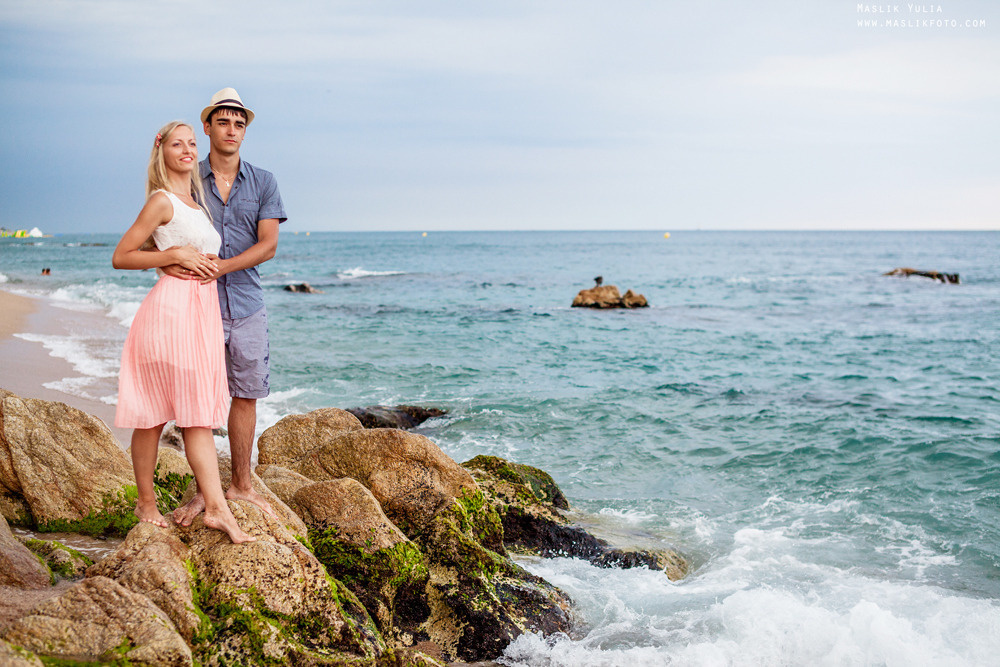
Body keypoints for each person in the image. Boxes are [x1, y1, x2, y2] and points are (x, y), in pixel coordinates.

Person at [112, 121, 254, 544]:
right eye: (178, 143)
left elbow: (191, 252)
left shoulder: (196, 201)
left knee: (194, 416)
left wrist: (184, 259)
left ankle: (213, 508)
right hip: (170, 313)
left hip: (200, 313)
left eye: (192, 143)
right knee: (156, 416)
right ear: (163, 151)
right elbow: (122, 255)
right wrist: (170, 255)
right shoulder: (160, 200)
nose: (188, 149)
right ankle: (154, 504)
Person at [169, 88, 286, 526]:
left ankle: (241, 485)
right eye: (223, 122)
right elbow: (166, 229)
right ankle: (204, 493)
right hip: (198, 302)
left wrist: (223, 268)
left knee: (246, 393)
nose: (231, 129)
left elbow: (269, 245)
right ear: (208, 127)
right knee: (200, 397)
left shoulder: (264, 181)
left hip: (248, 303)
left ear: (245, 130)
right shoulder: (188, 178)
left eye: (239, 123)